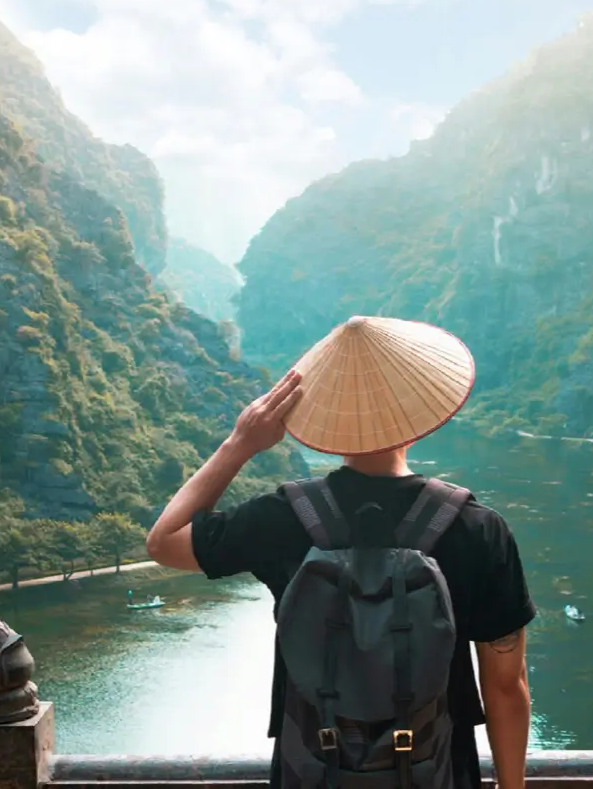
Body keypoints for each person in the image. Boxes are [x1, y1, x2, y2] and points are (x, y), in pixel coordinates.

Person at [147, 316, 536, 789]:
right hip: (436, 770)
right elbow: (504, 686)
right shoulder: (477, 528)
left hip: (314, 770)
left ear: (330, 423)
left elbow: (165, 542)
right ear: (417, 417)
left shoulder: (284, 517)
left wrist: (241, 443)